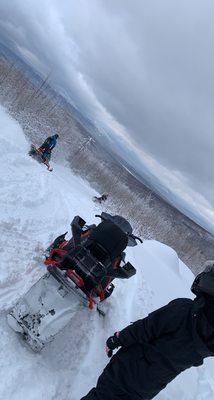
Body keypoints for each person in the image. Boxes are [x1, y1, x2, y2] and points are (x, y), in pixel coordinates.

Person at [81, 260, 214, 400]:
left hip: (128, 369)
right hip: (150, 386)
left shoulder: (184, 309)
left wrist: (117, 339)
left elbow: (145, 328)